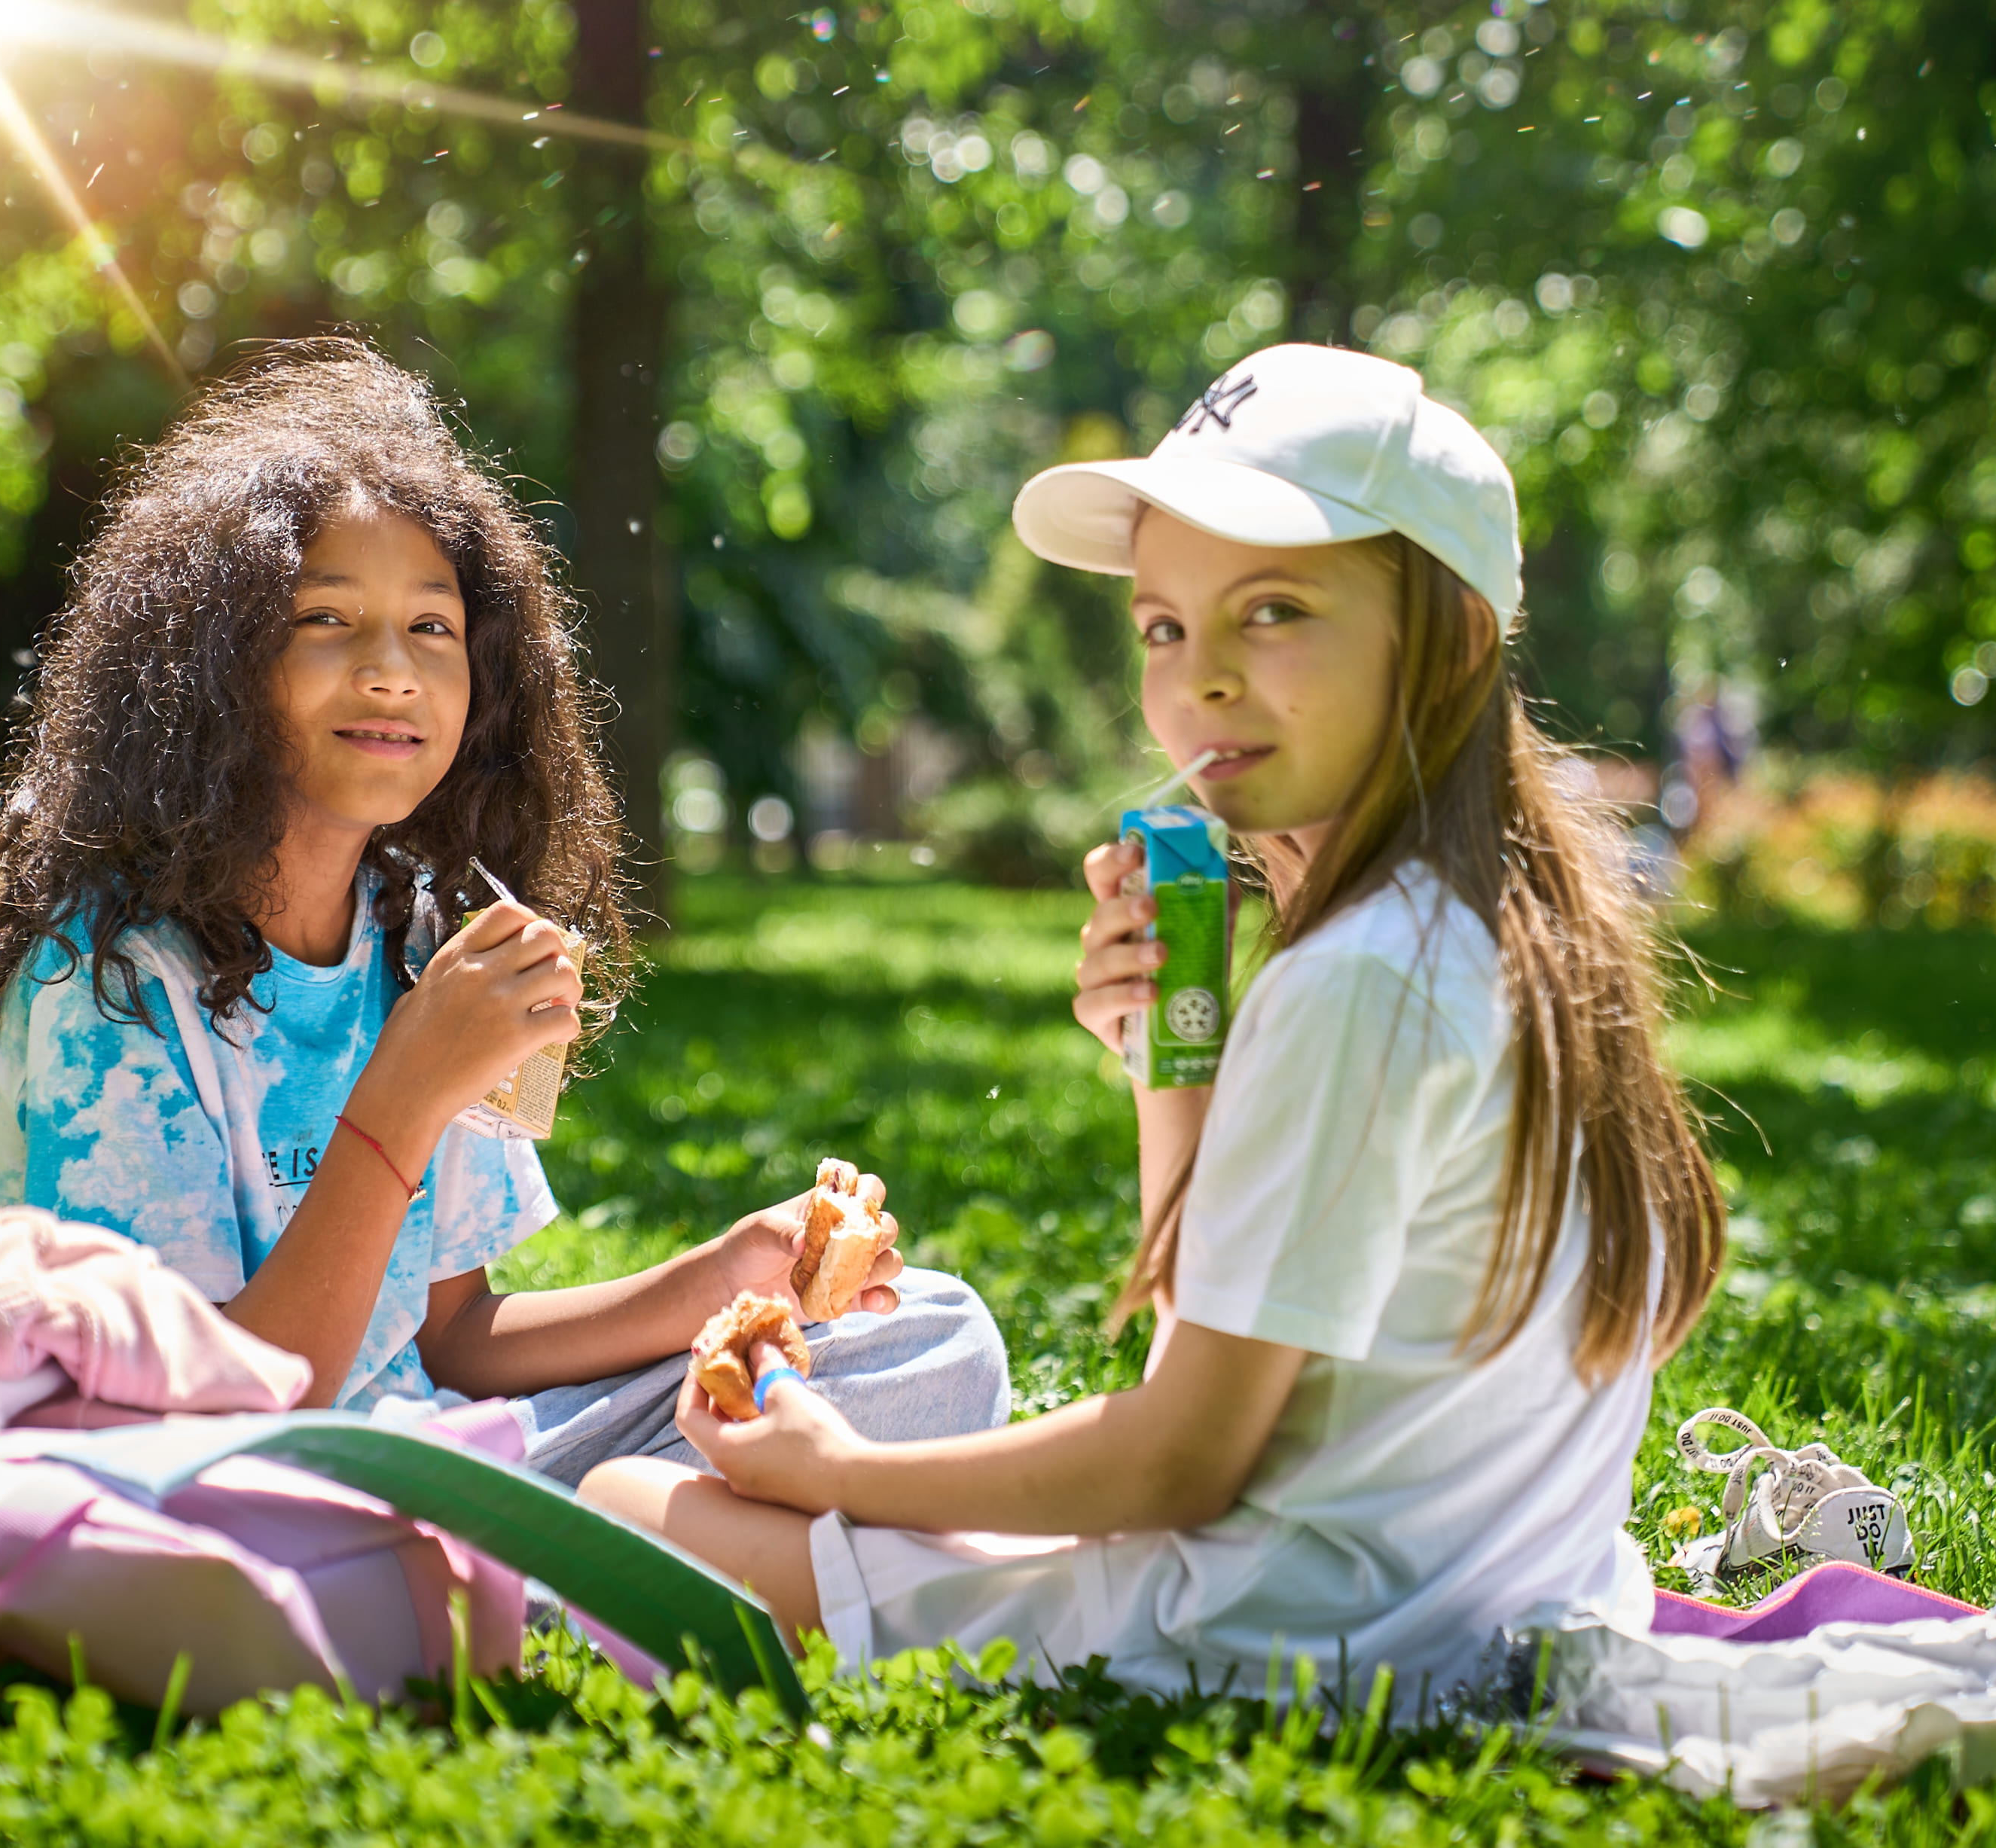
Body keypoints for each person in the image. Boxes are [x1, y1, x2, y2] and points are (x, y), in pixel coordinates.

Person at [581, 343, 1728, 1709]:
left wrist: (840, 1471)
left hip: (1279, 1645)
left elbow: (1183, 1459)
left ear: (1453, 642)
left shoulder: (1357, 976)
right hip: (1468, 1604)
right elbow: (1228, 1355)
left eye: (1277, 610)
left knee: (620, 1497)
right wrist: (1167, 1067)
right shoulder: (1510, 930)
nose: (1203, 681)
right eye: (1166, 627)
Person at [0, 337, 1009, 1481]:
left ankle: (614, 1531)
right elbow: (198, 1411)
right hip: (224, 1474)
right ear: (211, 668)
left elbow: (452, 1339)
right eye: (325, 618)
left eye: (432, 628)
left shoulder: (416, 937)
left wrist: (730, 1273)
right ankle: (644, 1535)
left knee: (925, 1332)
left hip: (441, 1451)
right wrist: (407, 1091)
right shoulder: (111, 972)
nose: (391, 671)